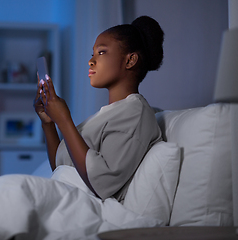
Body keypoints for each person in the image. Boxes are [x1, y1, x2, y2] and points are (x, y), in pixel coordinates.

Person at [33, 15, 164, 202]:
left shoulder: (135, 114)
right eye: (92, 54)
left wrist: (64, 120)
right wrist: (48, 123)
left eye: (101, 52)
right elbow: (61, 167)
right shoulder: (108, 114)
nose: (91, 61)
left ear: (130, 60)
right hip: (64, 196)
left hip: (83, 207)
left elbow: (101, 180)